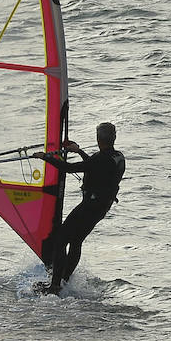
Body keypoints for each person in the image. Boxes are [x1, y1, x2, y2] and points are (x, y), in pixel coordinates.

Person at [40, 121, 126, 294]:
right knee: (76, 240)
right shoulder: (117, 156)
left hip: (89, 207)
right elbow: (94, 166)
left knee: (61, 239)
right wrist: (78, 151)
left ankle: (55, 285)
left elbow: (68, 168)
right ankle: (64, 281)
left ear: (98, 139)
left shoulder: (100, 159)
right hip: (101, 208)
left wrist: (46, 158)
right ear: (114, 138)